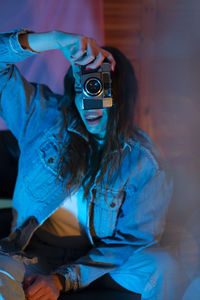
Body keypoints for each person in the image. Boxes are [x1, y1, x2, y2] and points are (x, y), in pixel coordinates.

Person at [0, 29, 179, 300]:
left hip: (98, 263)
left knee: (161, 266)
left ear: (119, 95)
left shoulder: (143, 160)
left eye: (98, 86)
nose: (88, 102)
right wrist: (53, 40)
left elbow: (133, 239)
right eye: (82, 86)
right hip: (31, 254)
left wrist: (62, 280)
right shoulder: (43, 117)